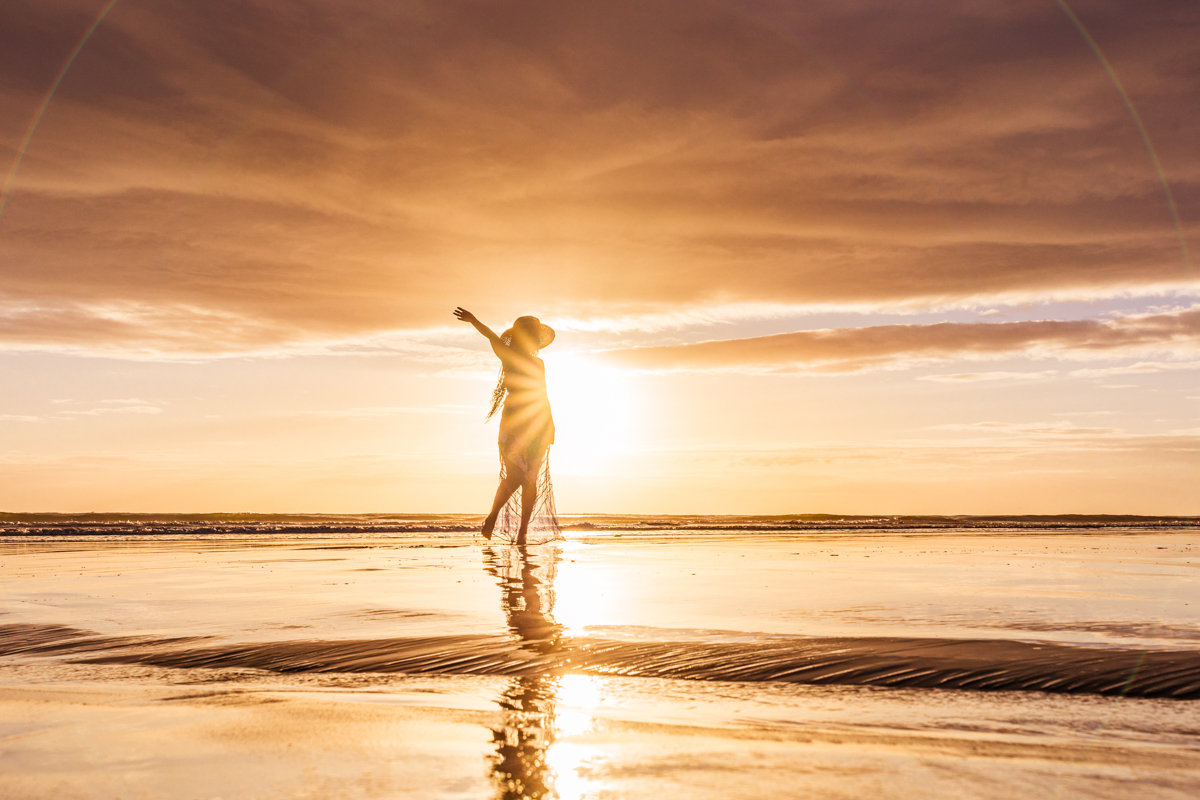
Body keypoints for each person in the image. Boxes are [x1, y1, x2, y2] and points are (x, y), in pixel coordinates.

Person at [454, 307, 561, 544]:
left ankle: (519, 530)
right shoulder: (509, 355)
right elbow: (491, 335)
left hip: (535, 420)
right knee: (518, 477)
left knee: (526, 477)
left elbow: (543, 394)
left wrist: (550, 424)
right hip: (521, 420)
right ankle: (498, 519)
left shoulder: (533, 362)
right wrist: (474, 320)